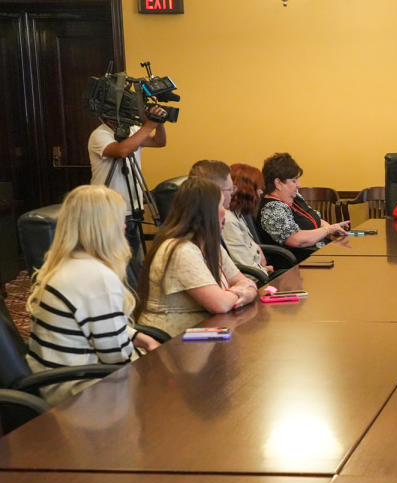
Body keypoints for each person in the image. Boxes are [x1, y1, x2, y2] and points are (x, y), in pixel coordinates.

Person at [25, 185, 160, 404]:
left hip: (52, 380)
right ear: (103, 228)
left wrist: (139, 337)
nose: (125, 227)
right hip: (78, 392)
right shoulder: (97, 277)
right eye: (119, 220)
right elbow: (115, 356)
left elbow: (97, 326)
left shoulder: (68, 263)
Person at [135, 177, 258, 337]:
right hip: (171, 344)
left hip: (204, 335)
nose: (225, 212)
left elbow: (243, 281)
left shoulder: (209, 244)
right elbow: (220, 304)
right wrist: (244, 292)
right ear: (204, 212)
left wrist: (245, 291)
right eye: (220, 205)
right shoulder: (180, 250)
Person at [87, 105, 168, 272]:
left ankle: (135, 294)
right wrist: (148, 125)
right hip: (108, 210)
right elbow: (122, 150)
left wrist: (159, 123)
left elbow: (159, 142)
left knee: (135, 262)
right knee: (114, 263)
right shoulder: (100, 134)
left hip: (134, 207)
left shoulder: (133, 130)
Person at [258, 153, 350, 262]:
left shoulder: (295, 196)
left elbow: (316, 219)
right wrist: (328, 230)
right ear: (278, 183)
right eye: (294, 180)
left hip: (320, 254)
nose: (299, 185)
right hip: (299, 265)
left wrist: (332, 231)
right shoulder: (272, 208)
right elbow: (297, 240)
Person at [188, 160, 272, 278]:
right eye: (231, 189)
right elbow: (248, 273)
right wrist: (263, 270)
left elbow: (237, 276)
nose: (261, 192)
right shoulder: (227, 220)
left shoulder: (235, 217)